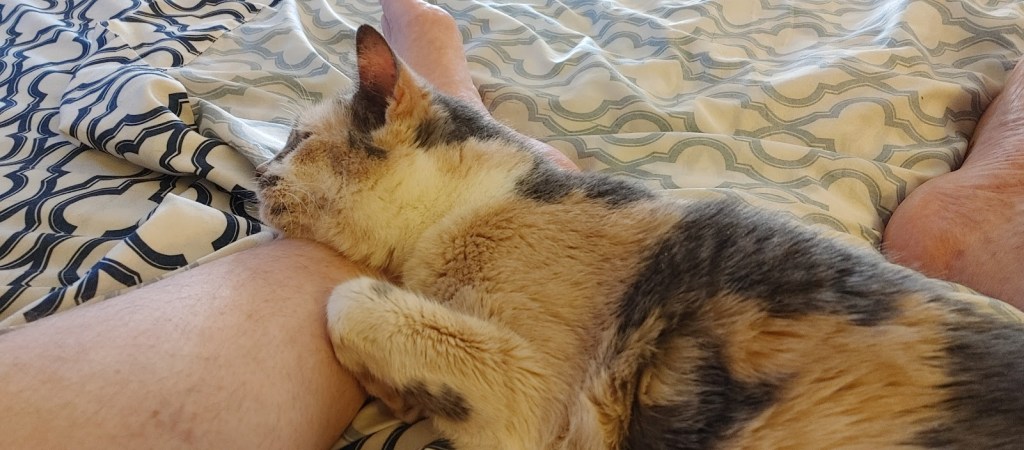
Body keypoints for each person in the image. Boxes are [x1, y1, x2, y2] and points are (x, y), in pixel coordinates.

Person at [0, 0, 1020, 447]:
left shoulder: (487, 246)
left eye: (298, 149)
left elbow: (517, 418)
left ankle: (456, 95)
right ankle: (472, 104)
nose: (269, 180)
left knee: (344, 298)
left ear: (390, 119)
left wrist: (370, 308)